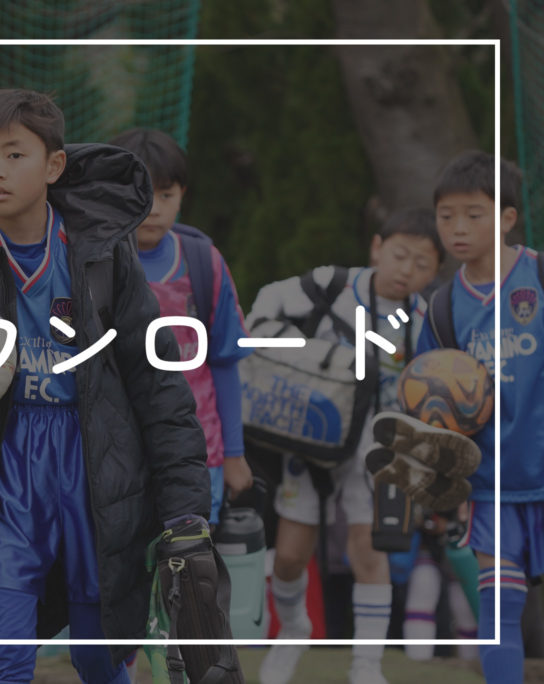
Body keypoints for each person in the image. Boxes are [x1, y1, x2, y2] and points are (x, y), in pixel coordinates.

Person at [0, 89, 221, 684]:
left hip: (96, 469)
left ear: (54, 165)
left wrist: (186, 508)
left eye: (14, 155)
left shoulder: (102, 256)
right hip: (7, 473)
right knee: (7, 661)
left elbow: (159, 386)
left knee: (98, 657)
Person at [247, 208, 443, 684]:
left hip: (379, 449)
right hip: (314, 436)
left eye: (422, 264)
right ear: (377, 247)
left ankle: (366, 664)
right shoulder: (331, 284)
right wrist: (297, 347)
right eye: (400, 255)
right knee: (289, 555)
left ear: (436, 271)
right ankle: (294, 630)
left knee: (369, 552)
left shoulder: (427, 319)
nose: (407, 270)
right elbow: (264, 306)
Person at [378, 152, 541, 683]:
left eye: (474, 214)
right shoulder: (442, 307)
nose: (458, 228)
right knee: (500, 610)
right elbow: (430, 408)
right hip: (491, 486)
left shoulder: (539, 277)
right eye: (446, 216)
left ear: (507, 218)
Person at [109, 127, 254, 522]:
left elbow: (224, 362)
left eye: (166, 195)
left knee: (190, 559)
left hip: (198, 458)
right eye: (141, 193)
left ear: (182, 195)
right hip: (116, 460)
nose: (153, 208)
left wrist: (234, 455)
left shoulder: (204, 262)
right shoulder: (92, 265)